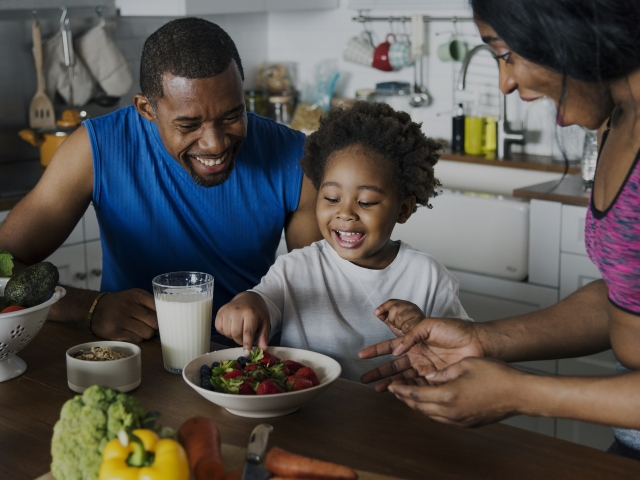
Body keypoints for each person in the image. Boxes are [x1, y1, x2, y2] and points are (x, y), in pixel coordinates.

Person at [359, 0, 640, 460]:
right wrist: (483, 341)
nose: (506, 82)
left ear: (566, 28)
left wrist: (523, 394)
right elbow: (625, 296)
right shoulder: (618, 121)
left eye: (506, 53)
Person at [0, 18, 320, 342]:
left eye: (232, 116)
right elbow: (2, 263)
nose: (216, 143)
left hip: (246, 367)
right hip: (139, 360)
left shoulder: (296, 157)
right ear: (146, 108)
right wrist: (89, 307)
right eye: (188, 125)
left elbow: (322, 287)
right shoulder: (95, 150)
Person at [214, 102, 471, 381]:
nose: (345, 213)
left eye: (366, 202)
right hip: (309, 412)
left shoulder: (429, 278)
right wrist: (247, 302)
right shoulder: (296, 267)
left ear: (404, 209)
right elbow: (264, 301)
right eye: (332, 199)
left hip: (396, 415)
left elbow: (465, 357)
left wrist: (424, 329)